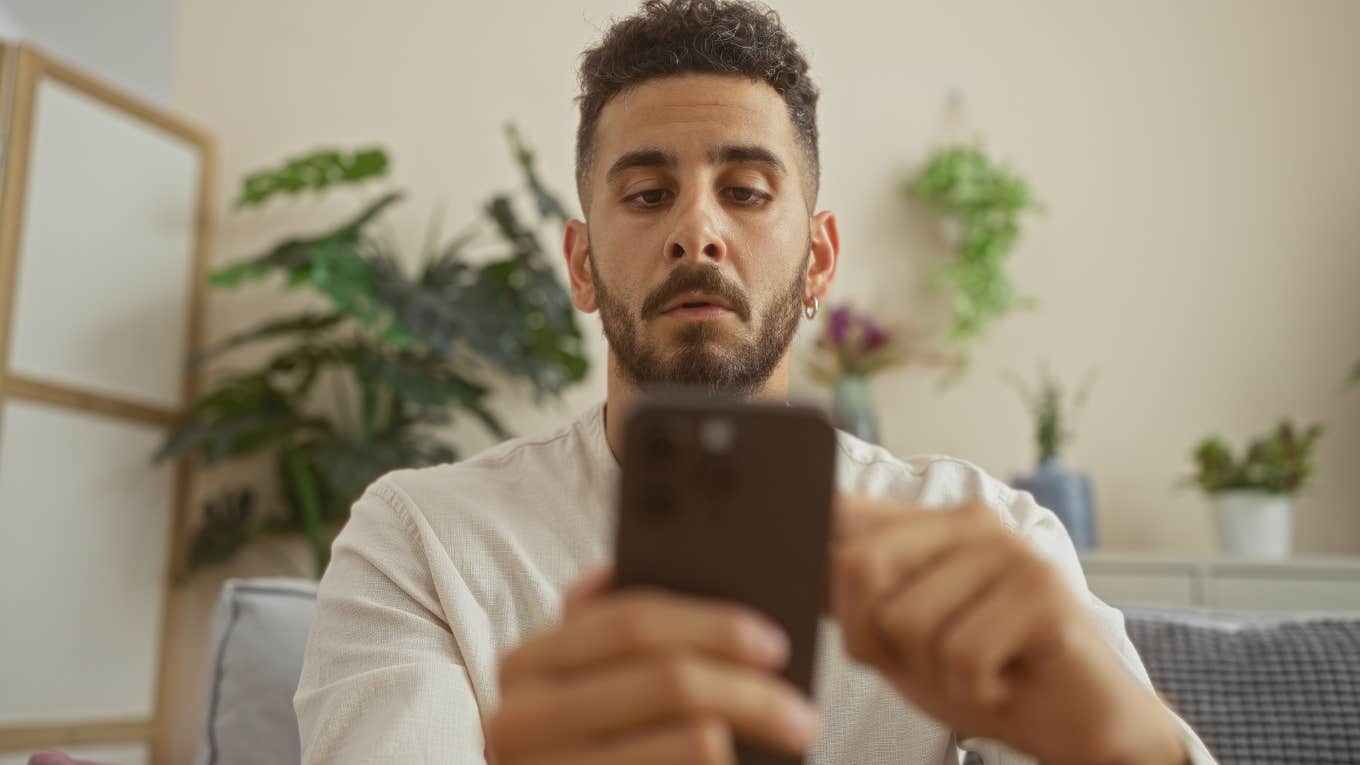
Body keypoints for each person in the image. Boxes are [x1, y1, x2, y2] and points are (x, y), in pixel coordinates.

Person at [294, 1, 1216, 762]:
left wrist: (1126, 744)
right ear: (580, 265)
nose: (697, 232)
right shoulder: (419, 540)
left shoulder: (989, 535)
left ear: (820, 261)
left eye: (745, 191)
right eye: (647, 194)